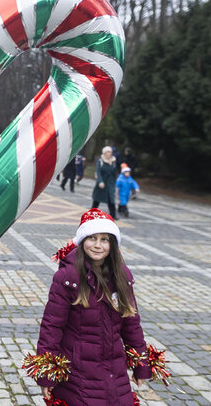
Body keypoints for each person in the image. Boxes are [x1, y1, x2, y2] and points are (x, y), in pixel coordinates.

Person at [33, 208, 151, 405]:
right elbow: (52, 327)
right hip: (77, 374)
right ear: (81, 241)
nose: (98, 245)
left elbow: (131, 324)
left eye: (104, 239)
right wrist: (47, 372)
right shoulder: (67, 278)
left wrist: (141, 364)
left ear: (112, 245)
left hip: (115, 372)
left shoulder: (122, 276)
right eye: (92, 238)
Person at [91, 146, 119, 219]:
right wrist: (100, 181)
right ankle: (92, 213)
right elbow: (98, 172)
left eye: (110, 152)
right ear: (104, 153)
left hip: (110, 184)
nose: (109, 153)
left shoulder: (113, 161)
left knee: (111, 199)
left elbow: (115, 173)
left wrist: (115, 182)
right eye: (108, 152)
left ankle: (113, 214)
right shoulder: (100, 161)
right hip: (102, 183)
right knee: (97, 200)